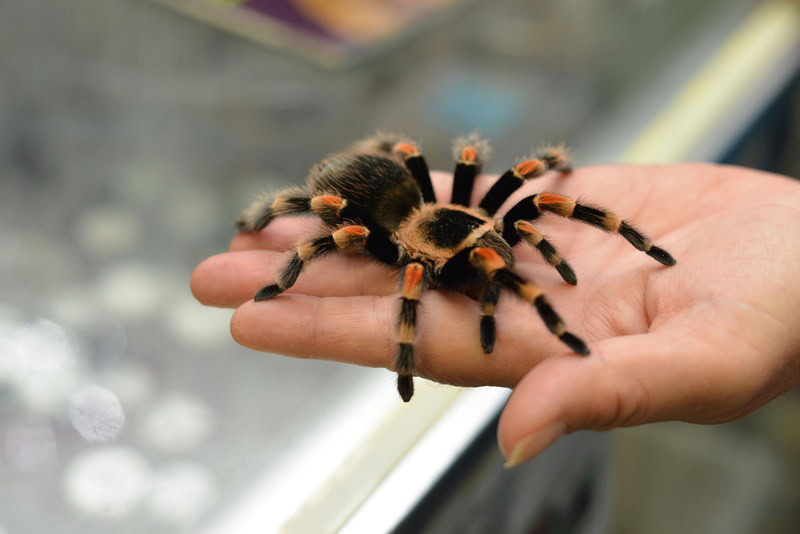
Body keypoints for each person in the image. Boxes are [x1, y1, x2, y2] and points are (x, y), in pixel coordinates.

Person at [191, 163, 800, 468]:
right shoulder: (402, 253)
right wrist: (406, 353)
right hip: (391, 214)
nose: (503, 244)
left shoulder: (499, 222)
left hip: (419, 205)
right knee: (329, 223)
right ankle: (552, 324)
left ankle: (639, 246)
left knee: (542, 198)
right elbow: (379, 266)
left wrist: (559, 177)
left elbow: (535, 182)